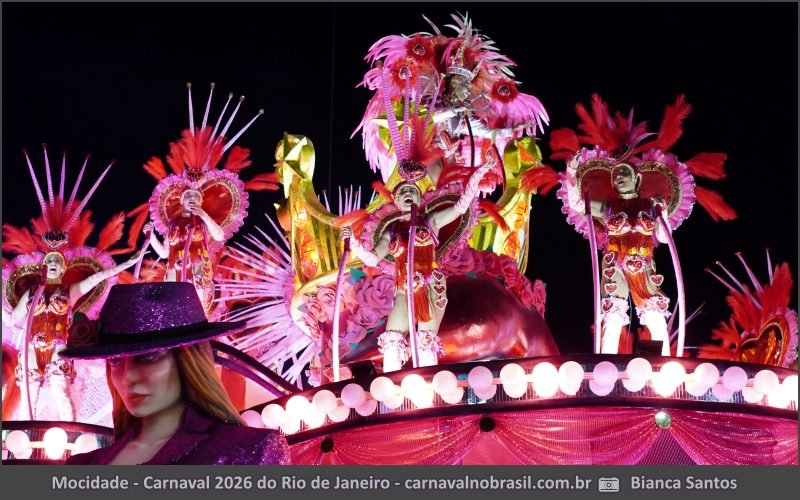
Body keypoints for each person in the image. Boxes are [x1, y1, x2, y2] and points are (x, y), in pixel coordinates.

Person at [61, 281, 290, 465]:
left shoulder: (247, 450)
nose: (127, 377)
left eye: (148, 357)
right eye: (116, 361)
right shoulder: (83, 465)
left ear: (187, 361)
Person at [343, 157, 494, 372]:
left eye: (412, 191)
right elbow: (372, 259)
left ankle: (427, 390)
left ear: (420, 197)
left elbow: (460, 208)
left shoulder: (430, 220)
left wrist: (478, 175)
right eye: (403, 192)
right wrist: (354, 243)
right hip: (404, 290)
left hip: (430, 286)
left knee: (425, 341)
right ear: (395, 199)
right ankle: (391, 396)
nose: (408, 195)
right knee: (392, 342)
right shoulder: (391, 231)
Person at [9, 249, 141, 420]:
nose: (53, 264)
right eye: (49, 261)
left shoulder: (69, 291)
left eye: (58, 261)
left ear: (63, 269)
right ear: (42, 267)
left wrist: (126, 264)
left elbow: (96, 278)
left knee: (61, 394)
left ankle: (69, 440)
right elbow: (12, 319)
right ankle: (25, 439)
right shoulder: (31, 293)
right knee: (28, 396)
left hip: (57, 346)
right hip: (32, 348)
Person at [587, 163, 671, 355]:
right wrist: (571, 173)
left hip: (644, 265)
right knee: (613, 315)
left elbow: (665, 238)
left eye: (624, 172)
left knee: (655, 314)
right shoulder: (608, 206)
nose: (619, 176)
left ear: (636, 179)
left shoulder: (649, 205)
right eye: (615, 174)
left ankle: (667, 365)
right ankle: (606, 361)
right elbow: (580, 204)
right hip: (615, 264)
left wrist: (662, 211)